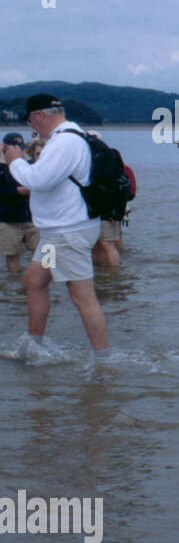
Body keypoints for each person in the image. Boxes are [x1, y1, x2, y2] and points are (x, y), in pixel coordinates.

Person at [2, 94, 110, 355]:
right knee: (34, 281)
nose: (32, 128)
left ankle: (104, 360)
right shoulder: (68, 137)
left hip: (68, 231)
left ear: (39, 115)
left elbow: (38, 180)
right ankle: (33, 345)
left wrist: (15, 159)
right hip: (57, 232)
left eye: (31, 121)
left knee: (82, 296)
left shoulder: (65, 141)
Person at [0, 133, 38, 273]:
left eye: (20, 148)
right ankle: (15, 285)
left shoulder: (30, 164)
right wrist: (17, 191)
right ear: (4, 148)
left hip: (34, 219)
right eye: (14, 149)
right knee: (12, 256)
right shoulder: (1, 167)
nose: (18, 152)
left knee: (48, 252)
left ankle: (52, 284)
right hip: (7, 220)